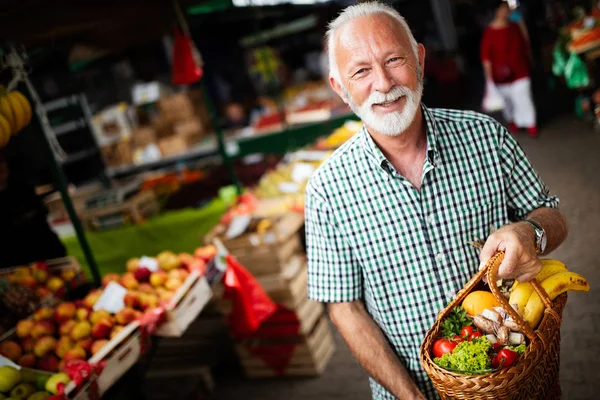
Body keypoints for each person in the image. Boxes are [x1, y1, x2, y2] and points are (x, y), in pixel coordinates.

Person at [304, 2, 568, 399]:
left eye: (394, 59)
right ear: (339, 87)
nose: (382, 83)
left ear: (420, 59)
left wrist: (529, 231)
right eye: (360, 71)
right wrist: (410, 396)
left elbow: (554, 217)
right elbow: (345, 307)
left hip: (514, 379)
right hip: (409, 390)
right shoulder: (327, 190)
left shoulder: (485, 137)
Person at [480, 1, 537, 136]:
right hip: (500, 76)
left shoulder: (515, 27)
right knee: (508, 102)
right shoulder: (489, 33)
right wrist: (489, 79)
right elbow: (486, 58)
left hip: (520, 70)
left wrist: (530, 60)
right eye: (504, 8)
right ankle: (513, 121)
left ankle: (531, 124)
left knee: (524, 97)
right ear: (497, 11)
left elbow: (524, 46)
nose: (508, 11)